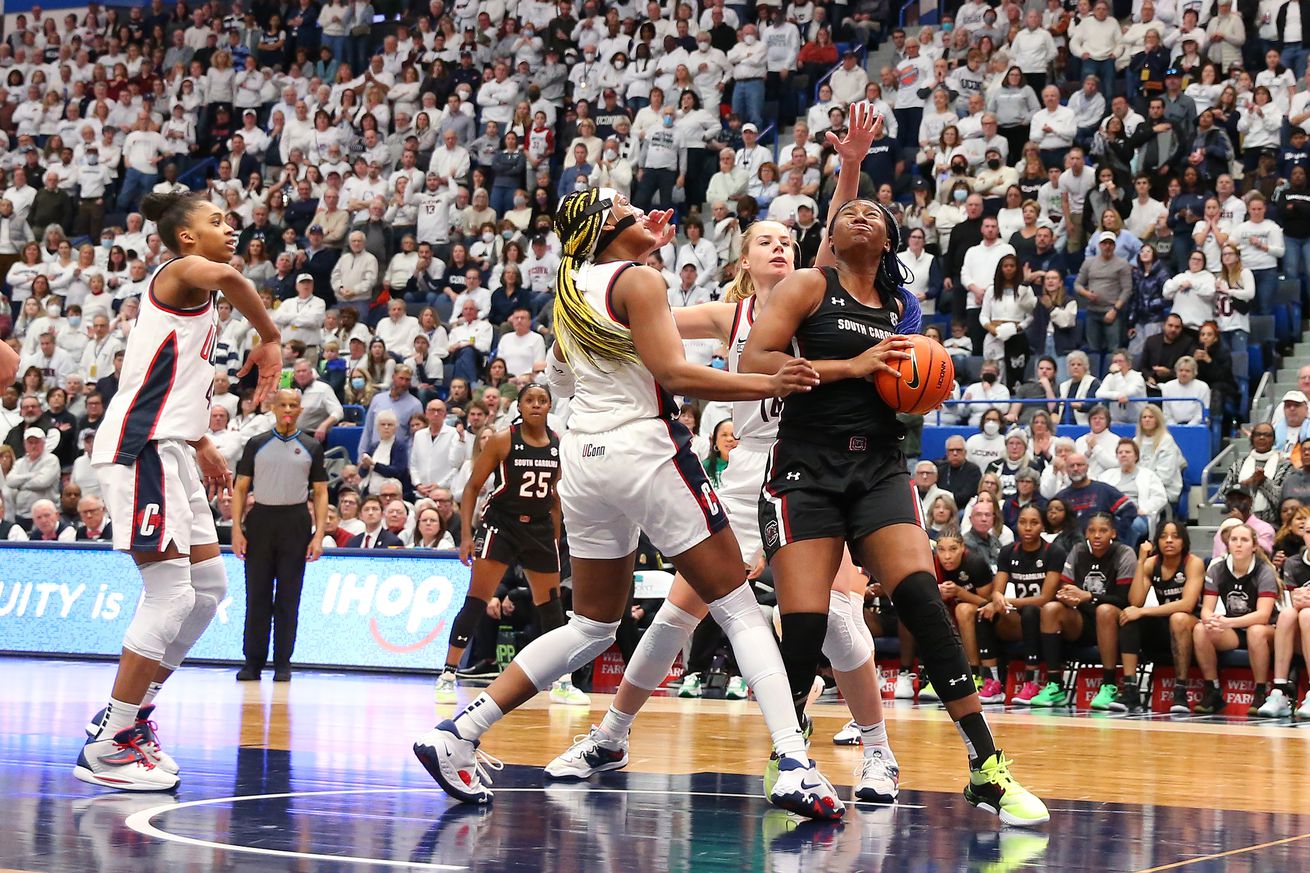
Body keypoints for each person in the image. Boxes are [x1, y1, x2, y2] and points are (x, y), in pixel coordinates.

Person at [412, 186, 843, 819]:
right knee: (739, 608)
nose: (646, 215)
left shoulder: (569, 289)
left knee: (591, 625)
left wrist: (642, 244)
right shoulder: (639, 282)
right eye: (629, 212)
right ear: (607, 229)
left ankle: (459, 732)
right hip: (645, 449)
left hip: (583, 459)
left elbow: (557, 377)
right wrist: (767, 380)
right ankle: (796, 763)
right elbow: (677, 376)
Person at [742, 195, 1047, 825]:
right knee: (804, 620)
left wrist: (926, 383)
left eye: (872, 214)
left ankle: (986, 767)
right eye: (847, 211)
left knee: (922, 600)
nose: (859, 217)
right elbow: (756, 361)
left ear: (889, 240)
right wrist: (847, 366)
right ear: (831, 232)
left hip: (878, 464)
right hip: (807, 465)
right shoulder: (807, 284)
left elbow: (904, 397)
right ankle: (789, 755)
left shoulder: (903, 311)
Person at [77, 191, 281, 792]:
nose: (231, 228)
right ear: (185, 237)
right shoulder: (185, 271)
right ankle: (109, 744)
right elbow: (225, 274)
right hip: (140, 449)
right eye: (216, 221)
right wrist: (269, 338)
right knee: (169, 595)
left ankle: (132, 718)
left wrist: (198, 441)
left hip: (171, 448)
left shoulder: (195, 297)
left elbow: (172, 380)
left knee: (209, 589)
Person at [434, 384, 588, 706]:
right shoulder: (504, 439)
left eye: (542, 400)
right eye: (529, 400)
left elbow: (556, 497)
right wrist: (466, 536)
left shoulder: (558, 444)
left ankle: (561, 682)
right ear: (519, 406)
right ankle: (448, 674)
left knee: (551, 607)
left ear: (549, 407)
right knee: (477, 600)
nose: (536, 405)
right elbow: (472, 487)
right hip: (500, 526)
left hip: (540, 529)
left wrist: (555, 537)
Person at [230, 389, 328, 682]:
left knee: (289, 596)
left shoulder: (311, 446)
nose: (287, 409)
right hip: (261, 519)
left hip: (295, 521)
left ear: (300, 410)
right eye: (283, 404)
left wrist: (318, 534)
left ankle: (283, 663)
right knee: (256, 594)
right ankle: (253, 662)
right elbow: (240, 488)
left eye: (293, 405)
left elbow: (321, 492)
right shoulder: (256, 443)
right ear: (272, 407)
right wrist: (237, 528)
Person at [1030, 512, 1137, 709]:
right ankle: (1055, 685)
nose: (1097, 535)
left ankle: (1109, 684)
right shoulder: (1078, 551)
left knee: (1104, 611)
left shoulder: (1125, 553)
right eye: (1092, 531)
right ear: (1086, 533)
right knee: (1051, 608)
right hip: (1081, 620)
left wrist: (1089, 596)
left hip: (1114, 622)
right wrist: (1066, 597)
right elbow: (1066, 587)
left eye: (1103, 531)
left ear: (1113, 533)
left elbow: (1124, 600)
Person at [976, 505, 1063, 705]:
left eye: (1034, 522)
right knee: (983, 612)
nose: (1028, 527)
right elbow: (998, 590)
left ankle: (1031, 683)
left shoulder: (1053, 551)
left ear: (1042, 526)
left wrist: (1005, 601)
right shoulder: (1008, 551)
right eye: (1023, 522)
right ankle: (992, 681)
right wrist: (996, 600)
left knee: (1032, 611)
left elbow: (1045, 598)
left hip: (1048, 619)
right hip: (1021, 618)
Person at [1190, 524, 1279, 716]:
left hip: (1267, 630)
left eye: (1244, 540)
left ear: (1254, 546)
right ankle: (1213, 690)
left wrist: (1226, 622)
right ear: (1227, 544)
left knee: (1255, 631)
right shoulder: (1217, 569)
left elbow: (1263, 615)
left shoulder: (1264, 571)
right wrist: (1210, 620)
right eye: (1234, 540)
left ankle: (1261, 692)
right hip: (1235, 629)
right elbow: (1206, 609)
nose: (1238, 544)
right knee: (1200, 629)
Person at [1118, 522, 1205, 714]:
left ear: (1184, 541)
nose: (1169, 541)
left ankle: (1180, 690)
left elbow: (1187, 605)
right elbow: (1135, 601)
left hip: (1193, 626)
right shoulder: (1152, 564)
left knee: (1178, 618)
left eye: (1175, 536)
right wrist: (1140, 562)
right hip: (1164, 625)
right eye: (1164, 536)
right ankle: (1131, 690)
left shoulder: (1193, 563)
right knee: (1129, 617)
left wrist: (1142, 612)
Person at [1255, 539, 1310, 719]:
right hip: (1302, 636)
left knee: (1306, 615)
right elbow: (1289, 602)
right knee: (1287, 614)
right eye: (1308, 531)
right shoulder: (1293, 563)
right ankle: (1279, 692)